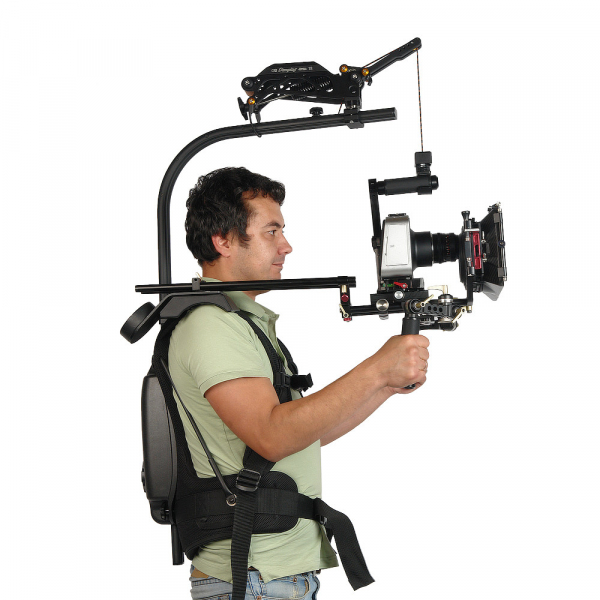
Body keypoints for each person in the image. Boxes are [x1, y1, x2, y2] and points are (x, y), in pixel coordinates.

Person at [167, 167, 430, 600]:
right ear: (224, 240)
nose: (286, 245)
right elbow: (272, 436)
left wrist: (385, 385)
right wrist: (377, 369)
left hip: (272, 578)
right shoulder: (212, 325)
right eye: (271, 231)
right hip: (254, 579)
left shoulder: (241, 322)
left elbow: (303, 434)